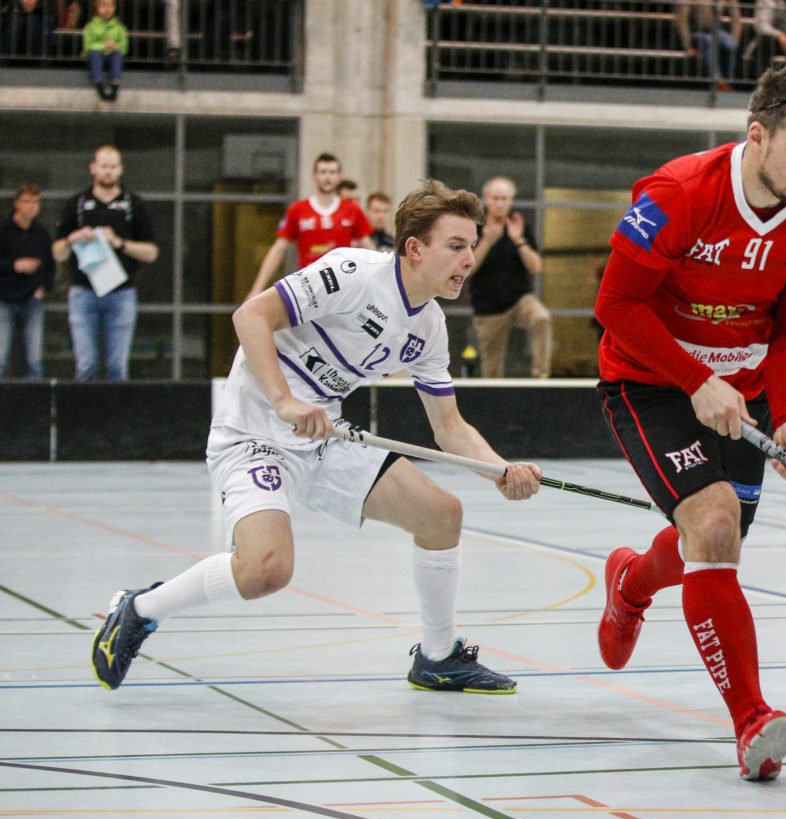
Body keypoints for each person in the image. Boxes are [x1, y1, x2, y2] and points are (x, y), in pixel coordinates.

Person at [90, 180, 543, 693]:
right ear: (415, 249)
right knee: (266, 570)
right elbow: (251, 316)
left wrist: (498, 470)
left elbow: (449, 427)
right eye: (456, 246)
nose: (468, 259)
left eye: (471, 246)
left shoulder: (430, 328)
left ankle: (438, 658)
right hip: (253, 432)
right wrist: (283, 401)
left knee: (442, 515)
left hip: (323, 436)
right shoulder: (353, 272)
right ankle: (140, 608)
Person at [592, 65, 786, 781]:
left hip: (747, 393)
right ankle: (752, 720)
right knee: (712, 525)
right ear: (757, 134)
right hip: (650, 382)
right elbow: (616, 305)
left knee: (713, 542)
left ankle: (633, 583)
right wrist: (694, 379)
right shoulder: (677, 193)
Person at [52, 144, 159, 381]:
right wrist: (72, 239)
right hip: (83, 294)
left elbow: (151, 252)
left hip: (121, 294)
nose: (108, 172)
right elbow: (57, 253)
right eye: (103, 166)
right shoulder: (77, 204)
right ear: (93, 168)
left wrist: (119, 243)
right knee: (86, 365)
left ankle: (115, 417)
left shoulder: (134, 205)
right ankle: (84, 416)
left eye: (113, 167)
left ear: (120, 169)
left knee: (117, 366)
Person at [245, 153, 374, 300]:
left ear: (339, 177)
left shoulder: (352, 209)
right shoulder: (298, 210)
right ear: (314, 176)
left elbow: (368, 247)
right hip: (309, 288)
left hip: (342, 287)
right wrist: (257, 289)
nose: (327, 177)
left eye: (332, 172)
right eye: (323, 172)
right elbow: (278, 249)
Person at [470, 176, 551, 378]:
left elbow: (535, 267)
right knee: (492, 371)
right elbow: (466, 269)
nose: (500, 203)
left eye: (505, 199)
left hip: (519, 299)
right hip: (488, 307)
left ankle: (541, 375)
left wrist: (519, 240)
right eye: (496, 198)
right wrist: (487, 242)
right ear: (486, 199)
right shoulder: (475, 229)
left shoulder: (519, 226)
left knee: (541, 318)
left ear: (511, 200)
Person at [0, 183, 53, 379]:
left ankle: (35, 407)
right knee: (0, 358)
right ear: (16, 204)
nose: (32, 207)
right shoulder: (4, 230)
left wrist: (44, 287)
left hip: (31, 300)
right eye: (27, 202)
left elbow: (49, 266)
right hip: (4, 300)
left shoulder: (41, 234)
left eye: (36, 202)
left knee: (34, 360)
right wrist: (14, 266)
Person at [675, 0, 742, 92]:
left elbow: (736, 19)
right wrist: (687, 46)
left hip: (716, 31)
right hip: (697, 32)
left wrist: (735, 39)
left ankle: (727, 82)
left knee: (730, 44)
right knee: (708, 41)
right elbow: (681, 20)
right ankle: (717, 81)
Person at [82, 0, 127, 101]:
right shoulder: (91, 26)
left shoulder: (119, 27)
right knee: (95, 54)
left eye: (110, 6)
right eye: (103, 5)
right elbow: (88, 46)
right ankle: (99, 84)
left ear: (114, 8)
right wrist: (104, 46)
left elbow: (124, 47)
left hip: (112, 54)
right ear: (97, 8)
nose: (107, 9)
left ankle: (115, 84)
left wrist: (115, 46)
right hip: (96, 55)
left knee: (117, 54)